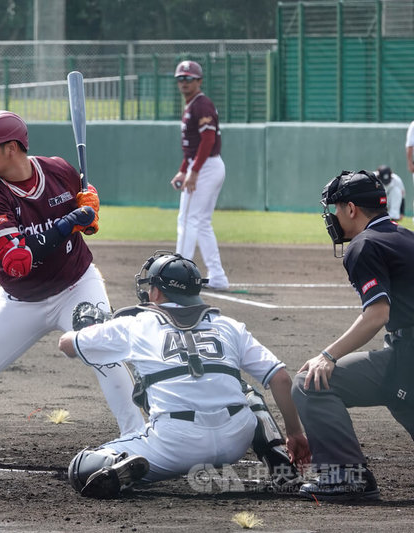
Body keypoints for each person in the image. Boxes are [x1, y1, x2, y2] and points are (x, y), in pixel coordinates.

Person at [0, 110, 145, 460]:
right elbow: (17, 261)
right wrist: (70, 222)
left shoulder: (58, 169)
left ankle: (138, 436)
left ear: (12, 148)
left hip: (78, 286)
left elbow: (86, 213)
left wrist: (90, 209)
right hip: (21, 300)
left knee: (105, 353)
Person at [58, 251, 310, 498]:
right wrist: (295, 433)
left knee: (81, 466)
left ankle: (116, 463)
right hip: (236, 438)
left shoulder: (135, 325)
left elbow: (67, 345)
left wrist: (92, 328)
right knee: (246, 393)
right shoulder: (229, 326)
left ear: (156, 291)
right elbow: (280, 378)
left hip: (176, 445)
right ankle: (282, 468)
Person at [292, 170, 414, 501]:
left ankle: (345, 476)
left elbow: (377, 314)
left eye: (335, 208)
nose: (332, 217)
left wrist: (327, 355)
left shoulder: (364, 245)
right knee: (400, 397)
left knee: (309, 383)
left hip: (409, 357)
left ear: (351, 209)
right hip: (405, 356)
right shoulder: (406, 237)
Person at [169, 60, 229, 290]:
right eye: (181, 78)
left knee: (187, 220)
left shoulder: (201, 105)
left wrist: (193, 172)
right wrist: (184, 169)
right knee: (201, 223)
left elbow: (208, 140)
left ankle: (178, 274)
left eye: (189, 78)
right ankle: (218, 277)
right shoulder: (193, 105)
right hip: (204, 165)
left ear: (199, 81)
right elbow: (193, 147)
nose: (184, 82)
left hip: (206, 166)